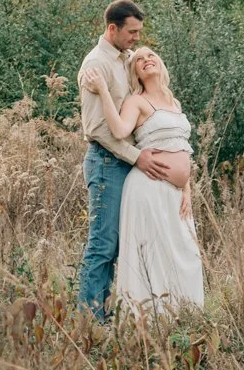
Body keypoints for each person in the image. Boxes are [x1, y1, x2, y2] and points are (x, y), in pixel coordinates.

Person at [76, 0, 184, 317]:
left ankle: (128, 314)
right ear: (113, 29)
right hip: (108, 162)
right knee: (103, 245)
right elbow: (98, 129)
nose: (137, 38)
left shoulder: (125, 58)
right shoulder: (96, 65)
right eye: (132, 32)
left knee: (132, 244)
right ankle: (91, 322)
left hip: (129, 166)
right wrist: (138, 157)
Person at [85, 46, 205, 312]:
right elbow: (118, 130)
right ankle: (149, 322)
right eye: (138, 59)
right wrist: (104, 90)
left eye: (150, 55)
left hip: (176, 194)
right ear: (136, 73)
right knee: (155, 256)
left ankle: (184, 316)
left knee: (186, 254)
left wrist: (186, 188)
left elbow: (182, 147)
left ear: (160, 63)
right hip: (149, 188)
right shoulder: (136, 101)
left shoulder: (175, 103)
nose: (146, 59)